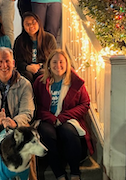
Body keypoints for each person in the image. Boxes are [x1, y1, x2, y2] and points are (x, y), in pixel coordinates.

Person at [0, 47, 36, 180]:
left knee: (26, 130)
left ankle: (31, 177)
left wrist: (15, 122)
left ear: (13, 63)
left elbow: (27, 111)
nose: (4, 65)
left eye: (7, 61)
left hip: (15, 121)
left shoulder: (24, 84)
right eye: (0, 61)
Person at [33, 49, 93, 180]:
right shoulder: (40, 82)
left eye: (61, 62)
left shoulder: (75, 82)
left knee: (69, 132)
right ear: (48, 64)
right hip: (47, 119)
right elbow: (35, 105)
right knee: (47, 134)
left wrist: (62, 118)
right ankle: (59, 173)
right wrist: (52, 119)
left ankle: (75, 172)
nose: (58, 65)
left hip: (67, 119)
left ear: (67, 64)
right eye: (54, 62)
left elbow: (85, 104)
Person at [14, 12, 57, 82]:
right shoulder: (20, 41)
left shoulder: (49, 38)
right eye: (27, 24)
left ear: (38, 23)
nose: (31, 26)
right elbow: (18, 60)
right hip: (26, 70)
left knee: (42, 75)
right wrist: (27, 67)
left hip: (44, 68)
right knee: (27, 76)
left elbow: (54, 58)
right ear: (23, 26)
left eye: (33, 22)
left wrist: (40, 66)